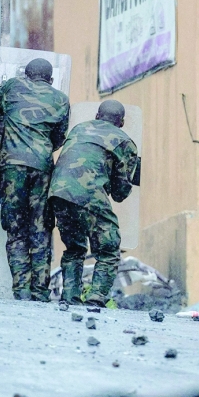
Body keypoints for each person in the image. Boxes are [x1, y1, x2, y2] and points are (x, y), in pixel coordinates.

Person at [0, 58, 70, 301]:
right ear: (51, 79)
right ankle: (40, 291)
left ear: (26, 74)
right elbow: (59, 137)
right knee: (41, 229)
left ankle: (21, 290)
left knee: (15, 231)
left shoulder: (13, 87)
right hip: (43, 168)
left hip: (12, 166)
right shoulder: (61, 99)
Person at [48, 99, 139, 306]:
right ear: (122, 122)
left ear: (97, 116)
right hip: (89, 194)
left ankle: (70, 298)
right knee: (108, 248)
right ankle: (96, 299)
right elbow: (120, 192)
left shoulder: (79, 129)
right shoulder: (124, 141)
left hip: (58, 192)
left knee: (74, 248)